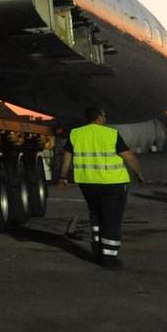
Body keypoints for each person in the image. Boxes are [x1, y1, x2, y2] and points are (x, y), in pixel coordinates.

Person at [60, 105, 144, 268]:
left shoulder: (76, 134)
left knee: (96, 215)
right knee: (111, 220)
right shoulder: (110, 134)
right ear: (98, 118)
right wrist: (139, 175)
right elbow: (129, 157)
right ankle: (109, 258)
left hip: (87, 184)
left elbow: (67, 158)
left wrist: (63, 177)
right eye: (104, 116)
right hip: (112, 184)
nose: (105, 119)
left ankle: (97, 250)